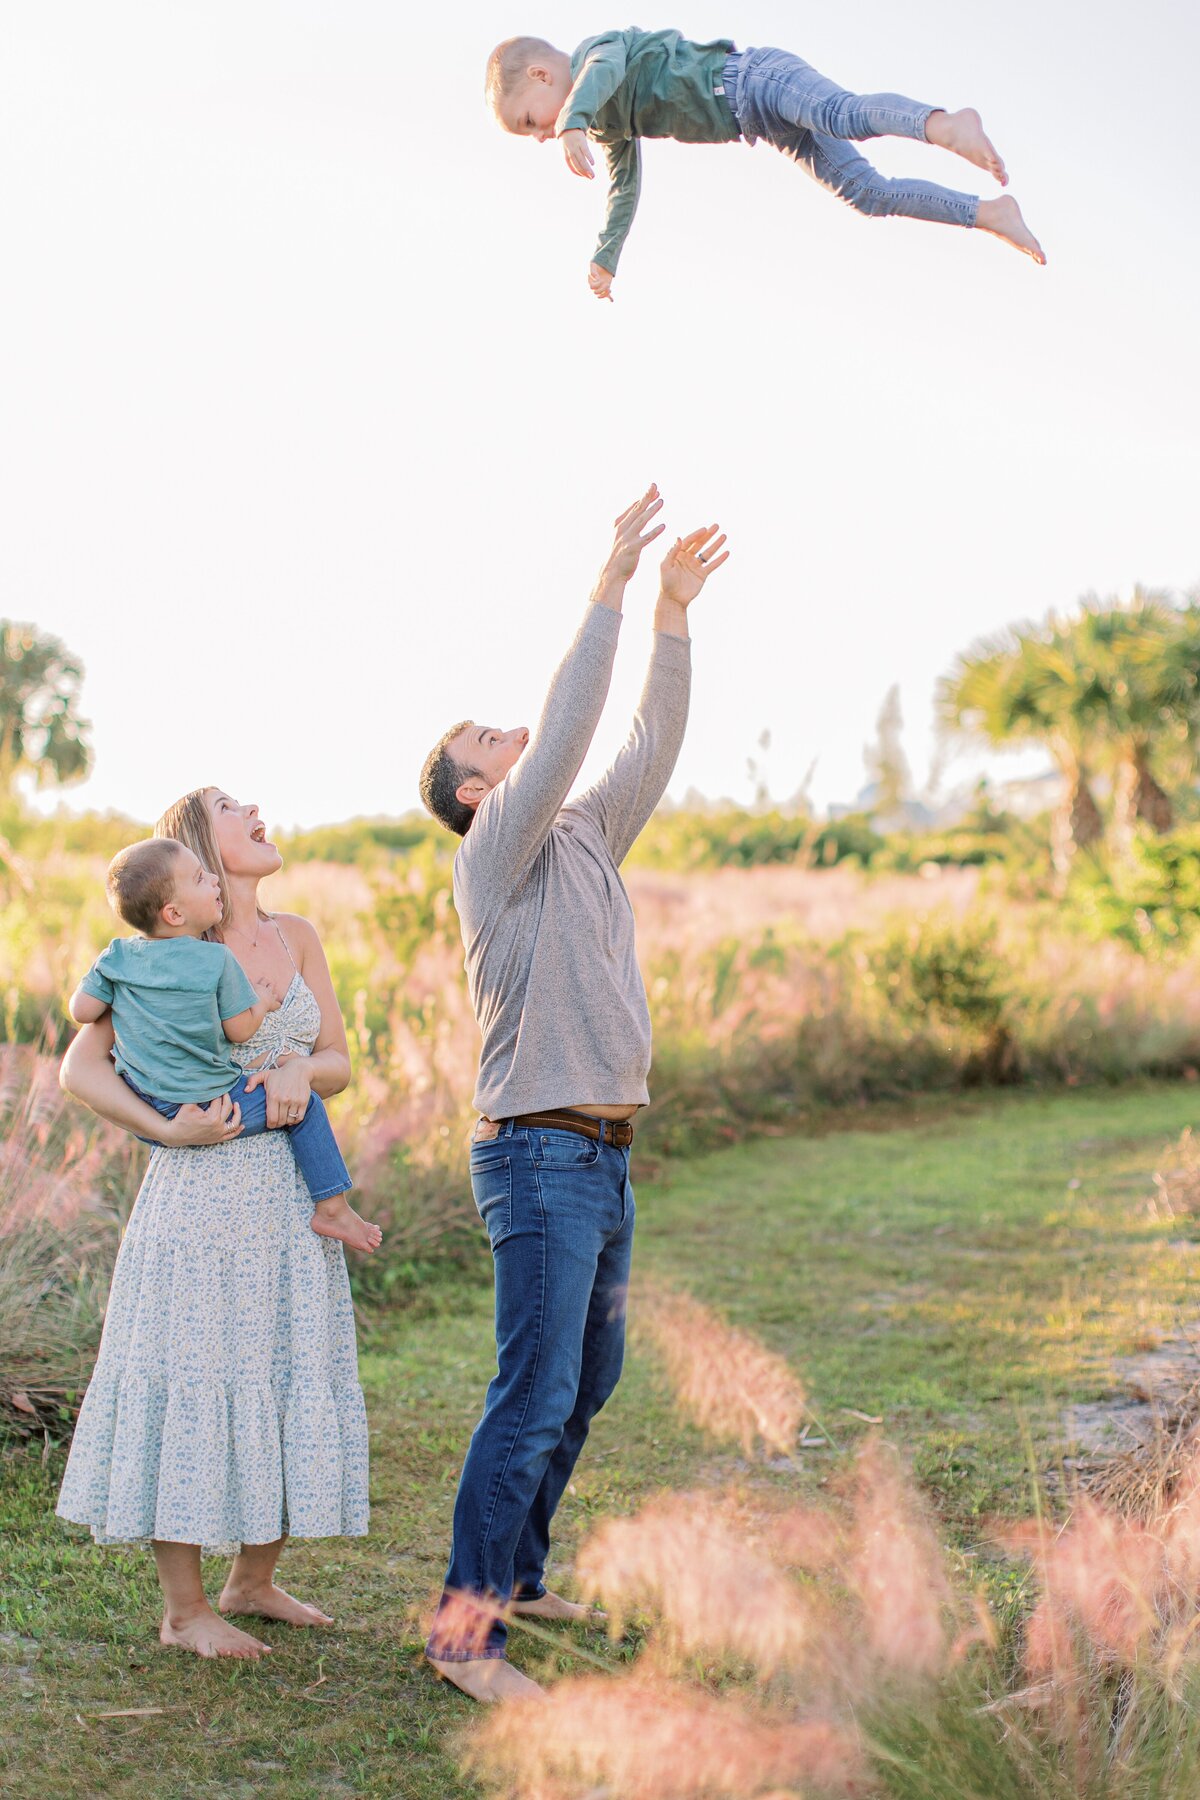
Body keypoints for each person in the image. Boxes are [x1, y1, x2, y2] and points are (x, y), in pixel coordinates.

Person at [417, 485, 728, 1701]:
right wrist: (605, 585)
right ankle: (461, 1638)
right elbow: (570, 728)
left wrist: (674, 615)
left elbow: (647, 741)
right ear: (476, 792)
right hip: (538, 1156)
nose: (510, 738)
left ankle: (521, 1581)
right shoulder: (492, 853)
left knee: (583, 1385)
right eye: (485, 741)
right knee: (533, 1390)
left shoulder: (590, 836)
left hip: (600, 1155)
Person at [56, 787, 369, 1661]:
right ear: (198, 848)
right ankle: (187, 1609)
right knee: (190, 1376)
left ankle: (253, 1580)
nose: (258, 808)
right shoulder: (164, 951)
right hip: (198, 1197)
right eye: (234, 806)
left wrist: (303, 1065)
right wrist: (167, 1127)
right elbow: (81, 1069)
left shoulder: (297, 934)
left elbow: (340, 1058)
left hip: (291, 1199)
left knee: (281, 1368)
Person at [486, 29, 1045, 299]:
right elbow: (624, 186)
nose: (543, 136)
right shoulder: (607, 122)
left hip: (755, 79)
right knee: (866, 194)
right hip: (761, 124)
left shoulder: (596, 56)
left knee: (840, 113)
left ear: (541, 76)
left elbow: (602, 74)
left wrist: (571, 119)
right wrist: (606, 255)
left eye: (532, 122)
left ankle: (946, 123)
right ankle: (989, 213)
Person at [69, 837, 380, 1255]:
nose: (211, 880)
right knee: (307, 1110)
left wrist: (302, 1070)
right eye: (199, 876)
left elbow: (82, 1008)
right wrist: (262, 1003)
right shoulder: (213, 960)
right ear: (175, 910)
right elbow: (239, 1030)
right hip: (203, 1164)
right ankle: (334, 1208)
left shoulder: (122, 957)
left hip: (170, 1109)